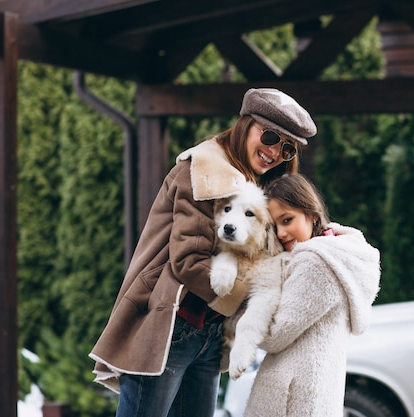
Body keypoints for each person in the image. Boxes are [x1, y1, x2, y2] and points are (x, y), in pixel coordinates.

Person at [88, 88, 317, 417]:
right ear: (245, 125)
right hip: (171, 327)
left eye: (286, 148)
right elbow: (187, 263)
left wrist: (324, 232)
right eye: (269, 136)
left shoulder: (250, 182)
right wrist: (251, 298)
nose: (274, 152)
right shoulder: (205, 171)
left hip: (209, 334)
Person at [244, 174, 381, 417]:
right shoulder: (341, 254)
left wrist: (241, 310)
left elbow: (274, 335)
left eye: (287, 220)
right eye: (274, 227)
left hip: (293, 398)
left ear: (312, 214)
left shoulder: (315, 262)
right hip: (315, 391)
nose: (282, 233)